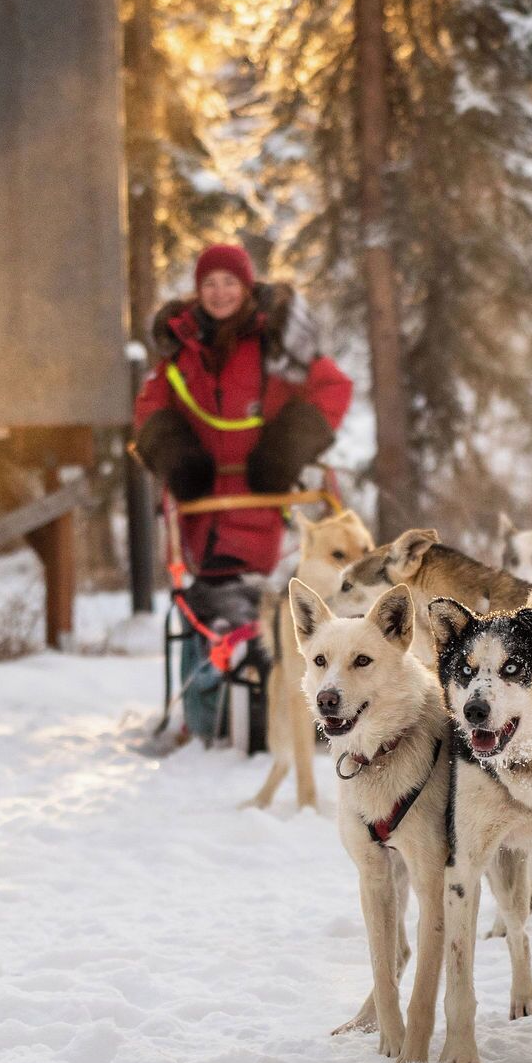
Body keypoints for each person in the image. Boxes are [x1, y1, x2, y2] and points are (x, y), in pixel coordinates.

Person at [132, 242, 353, 745]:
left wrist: (289, 442)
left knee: (279, 602)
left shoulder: (278, 346)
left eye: (229, 282)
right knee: (221, 601)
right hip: (204, 502)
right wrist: (173, 451)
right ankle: (234, 706)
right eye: (209, 283)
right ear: (198, 290)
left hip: (270, 498)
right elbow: (149, 409)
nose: (219, 292)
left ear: (247, 287)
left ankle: (293, 706)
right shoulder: (180, 349)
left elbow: (332, 387)